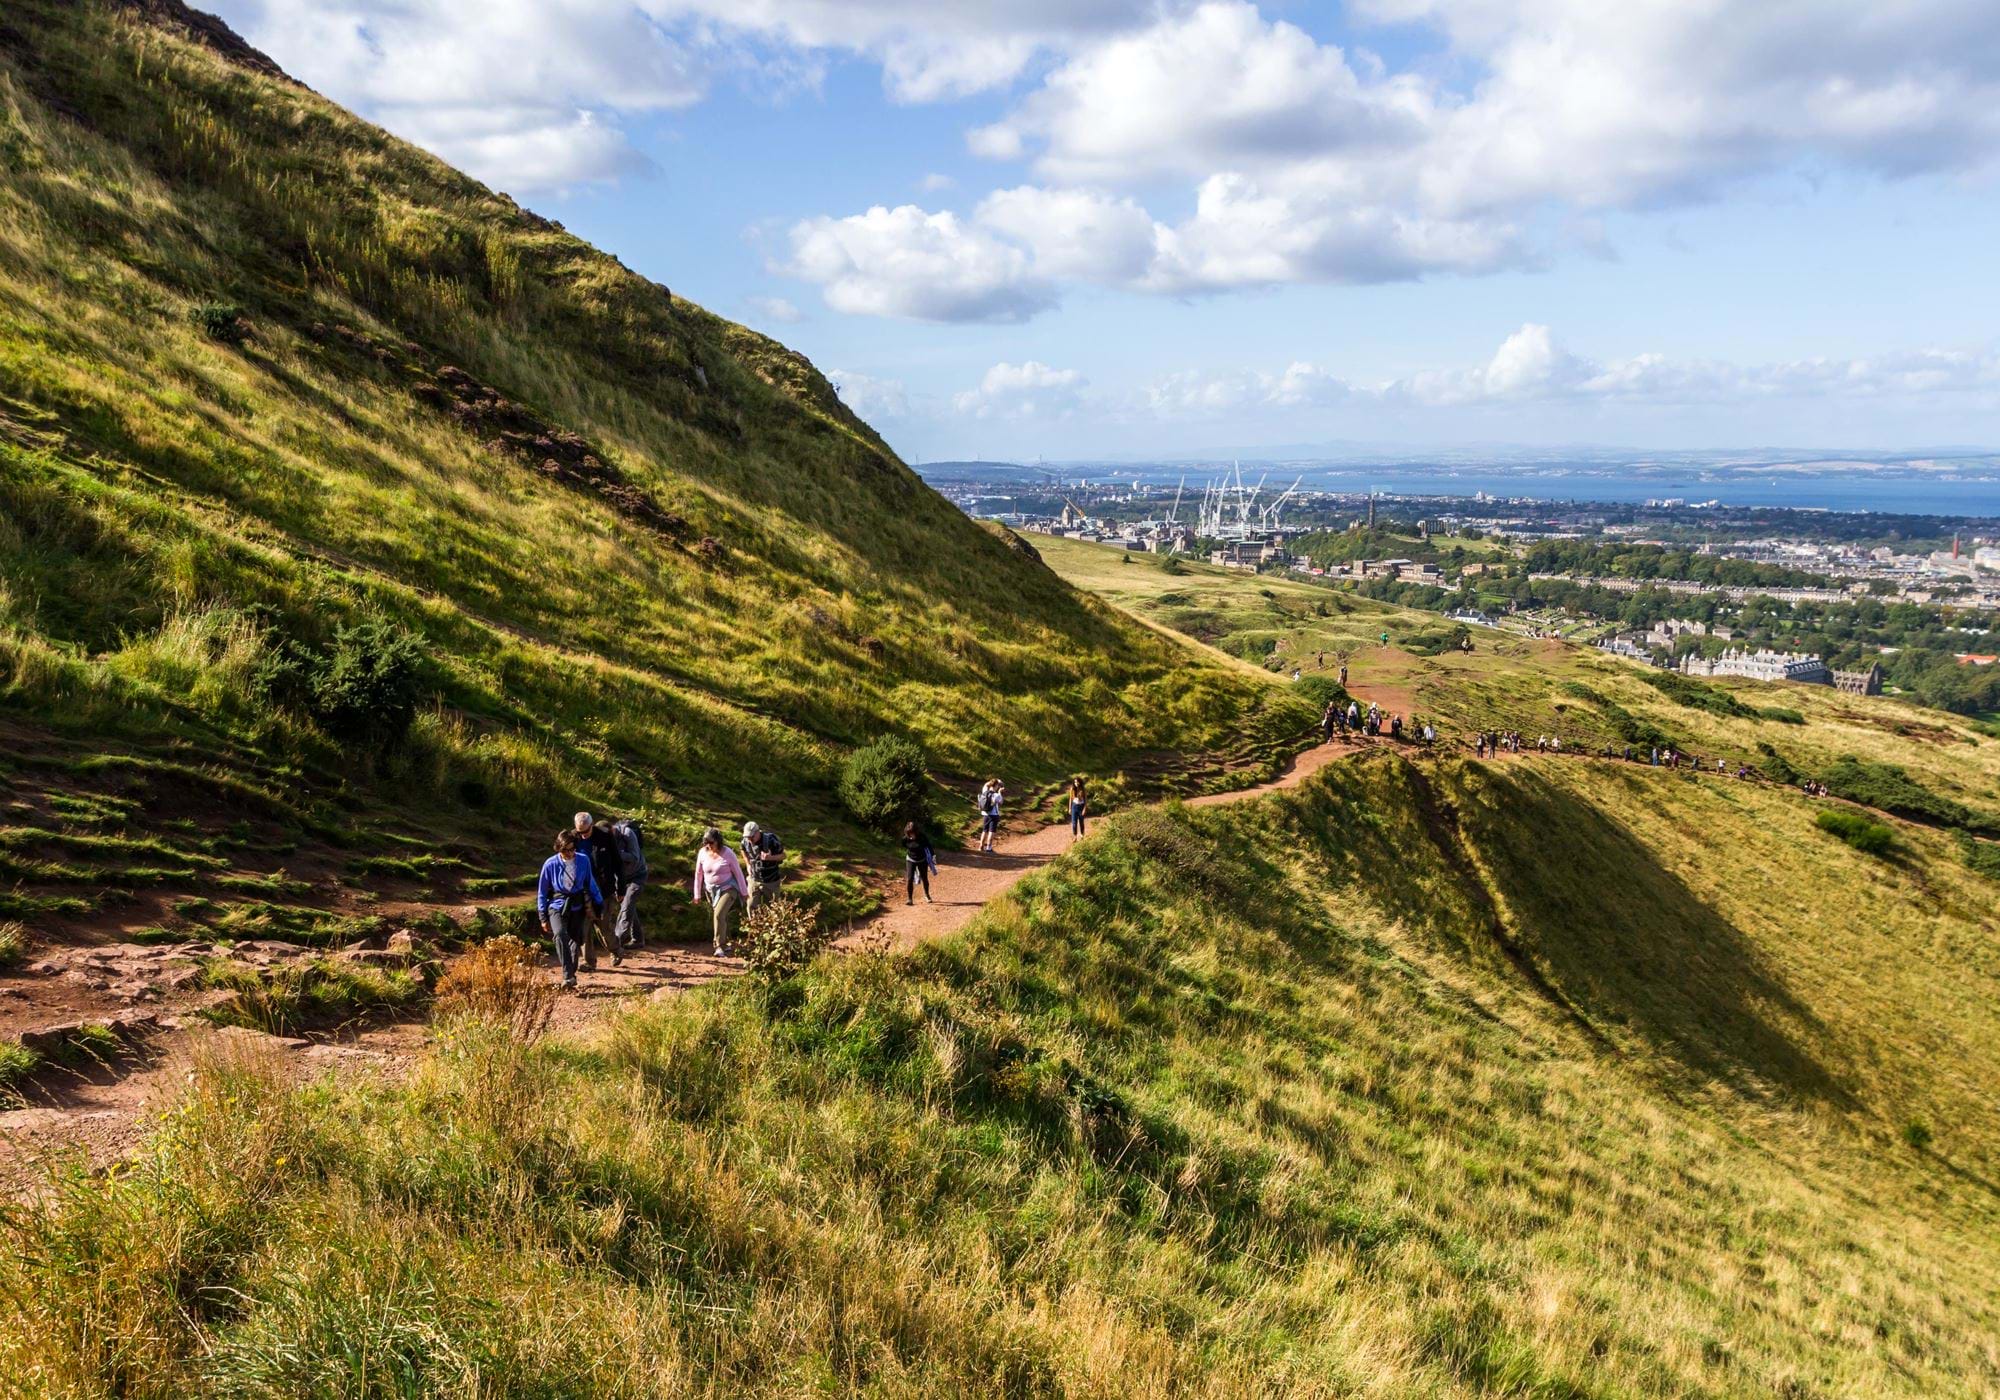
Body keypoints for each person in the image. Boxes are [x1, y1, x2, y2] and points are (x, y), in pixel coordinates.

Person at [537, 829, 602, 991]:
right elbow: (542, 892)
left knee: (575, 940)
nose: (571, 853)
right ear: (559, 848)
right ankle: (567, 974)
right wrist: (543, 916)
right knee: (559, 934)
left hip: (577, 905)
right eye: (566, 850)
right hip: (557, 905)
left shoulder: (583, 860)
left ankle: (570, 975)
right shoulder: (550, 864)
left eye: (573, 849)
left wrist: (599, 903)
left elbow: (590, 883)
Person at [573, 812, 624, 969]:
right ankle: (589, 962)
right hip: (583, 891)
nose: (583, 835)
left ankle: (615, 949)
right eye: (579, 832)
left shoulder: (605, 837)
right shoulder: (573, 838)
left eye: (585, 831)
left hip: (604, 890)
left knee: (603, 927)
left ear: (592, 825)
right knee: (584, 928)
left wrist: (621, 888)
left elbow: (618, 863)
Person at [690, 827, 747, 957]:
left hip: (728, 888)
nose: (709, 846)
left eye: (711, 843)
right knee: (722, 917)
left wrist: (744, 892)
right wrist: (697, 894)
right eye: (706, 843)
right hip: (710, 890)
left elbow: (738, 873)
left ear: (718, 841)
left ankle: (719, 946)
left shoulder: (728, 853)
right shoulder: (702, 853)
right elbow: (698, 874)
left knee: (718, 914)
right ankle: (726, 943)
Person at [741, 820, 786, 910]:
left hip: (771, 881)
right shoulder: (745, 841)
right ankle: (753, 924)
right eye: (747, 837)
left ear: (758, 832)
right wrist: (747, 864)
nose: (750, 839)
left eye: (751, 837)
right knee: (751, 906)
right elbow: (743, 850)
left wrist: (770, 858)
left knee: (775, 907)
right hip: (754, 879)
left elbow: (783, 856)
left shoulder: (771, 839)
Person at [903, 821, 937, 904]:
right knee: (910, 878)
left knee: (924, 878)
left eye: (913, 833)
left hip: (922, 859)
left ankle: (927, 895)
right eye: (909, 833)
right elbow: (904, 845)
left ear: (916, 832)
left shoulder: (922, 837)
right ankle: (910, 899)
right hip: (910, 859)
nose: (911, 835)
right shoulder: (905, 839)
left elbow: (929, 846)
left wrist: (933, 856)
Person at [977, 778, 1005, 853]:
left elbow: (986, 784)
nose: (998, 786)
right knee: (991, 831)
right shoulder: (996, 795)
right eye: (998, 785)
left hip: (985, 814)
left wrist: (995, 780)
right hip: (994, 815)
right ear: (996, 785)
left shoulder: (984, 790)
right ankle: (989, 848)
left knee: (984, 830)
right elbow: (1001, 802)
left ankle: (981, 846)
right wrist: (1000, 792)